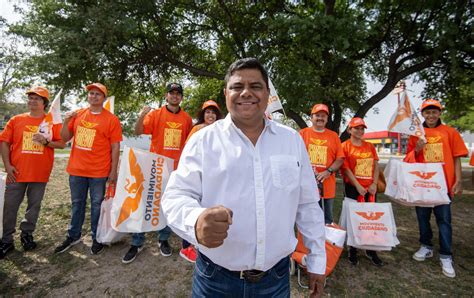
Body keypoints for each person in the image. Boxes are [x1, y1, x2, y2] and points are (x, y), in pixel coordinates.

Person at [162, 58, 326, 297]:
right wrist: (196, 221)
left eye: (256, 86)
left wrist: (317, 259)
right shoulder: (203, 140)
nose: (246, 93)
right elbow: (175, 196)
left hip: (276, 280)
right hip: (215, 281)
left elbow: (308, 204)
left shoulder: (292, 140)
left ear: (268, 93)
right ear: (226, 93)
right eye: (237, 87)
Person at [122, 83, 192, 264]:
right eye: (172, 93)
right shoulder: (155, 114)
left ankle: (163, 239)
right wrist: (141, 115)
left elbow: (188, 144)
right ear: (166, 96)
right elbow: (138, 132)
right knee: (146, 204)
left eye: (178, 93)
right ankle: (137, 242)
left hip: (175, 170)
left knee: (166, 206)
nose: (175, 96)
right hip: (154, 167)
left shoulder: (186, 119)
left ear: (181, 97)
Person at [54, 83, 122, 255]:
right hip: (77, 170)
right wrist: (66, 122)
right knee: (77, 204)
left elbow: (115, 147)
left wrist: (113, 171)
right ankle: (73, 235)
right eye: (91, 93)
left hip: (99, 171)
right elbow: (64, 138)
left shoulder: (111, 119)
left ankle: (96, 237)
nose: (94, 96)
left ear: (104, 98)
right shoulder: (78, 115)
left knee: (97, 205)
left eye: (98, 94)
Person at [0, 87, 66, 259]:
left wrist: (46, 142)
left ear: (44, 103)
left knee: (33, 207)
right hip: (17, 172)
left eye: (37, 98)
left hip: (40, 172)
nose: (32, 101)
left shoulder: (52, 122)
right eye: (30, 98)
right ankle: (6, 240)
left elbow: (61, 144)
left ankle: (26, 235)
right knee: (10, 207)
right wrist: (7, 165)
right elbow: (5, 142)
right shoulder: (16, 120)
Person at [407, 99, 468, 278]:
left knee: (444, 220)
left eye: (434, 112)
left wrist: (459, 180)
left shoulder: (450, 132)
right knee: (423, 218)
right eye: (427, 112)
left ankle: (446, 255)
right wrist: (417, 149)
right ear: (422, 114)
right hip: (423, 185)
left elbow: (457, 157)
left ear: (440, 113)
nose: (431, 115)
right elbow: (409, 159)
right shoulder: (417, 133)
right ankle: (426, 246)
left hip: (443, 185)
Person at [180, 99, 222, 263]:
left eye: (213, 112)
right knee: (192, 206)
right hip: (198, 174)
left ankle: (199, 243)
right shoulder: (197, 129)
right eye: (207, 112)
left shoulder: (221, 130)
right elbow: (188, 152)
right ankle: (186, 247)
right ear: (202, 114)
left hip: (213, 175)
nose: (210, 115)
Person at [341, 117, 383, 267]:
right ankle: (353, 249)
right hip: (353, 188)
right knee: (354, 220)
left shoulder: (370, 146)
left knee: (370, 219)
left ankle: (371, 250)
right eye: (356, 128)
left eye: (362, 128)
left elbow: (376, 166)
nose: (359, 131)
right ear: (349, 130)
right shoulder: (344, 146)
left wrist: (373, 184)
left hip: (370, 189)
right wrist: (358, 185)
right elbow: (345, 169)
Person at [299, 103, 344, 224]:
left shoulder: (334, 136)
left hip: (326, 187)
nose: (320, 118)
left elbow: (340, 158)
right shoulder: (302, 134)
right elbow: (295, 157)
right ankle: (305, 243)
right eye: (317, 115)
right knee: (306, 221)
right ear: (311, 117)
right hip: (306, 187)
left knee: (326, 221)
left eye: (323, 115)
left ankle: (326, 243)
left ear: (327, 118)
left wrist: (328, 172)